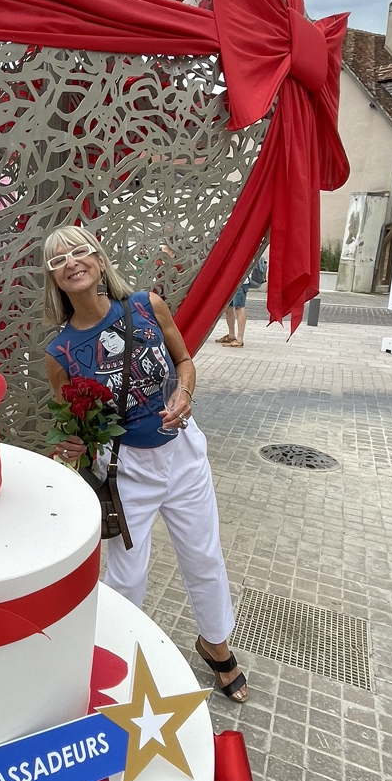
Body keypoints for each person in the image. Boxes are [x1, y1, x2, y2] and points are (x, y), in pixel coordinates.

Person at [43, 226, 247, 701]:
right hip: (125, 469)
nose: (71, 262)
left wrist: (185, 391)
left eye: (79, 251)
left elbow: (185, 361)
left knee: (203, 556)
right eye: (58, 259)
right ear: (53, 277)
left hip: (183, 454)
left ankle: (214, 643)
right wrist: (72, 444)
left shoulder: (145, 306)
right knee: (126, 574)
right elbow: (74, 422)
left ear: (97, 259)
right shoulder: (60, 353)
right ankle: (120, 656)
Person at [216, 279, 249, 347]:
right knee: (228, 308)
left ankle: (239, 340)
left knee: (239, 308)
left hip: (241, 282)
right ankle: (231, 336)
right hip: (230, 283)